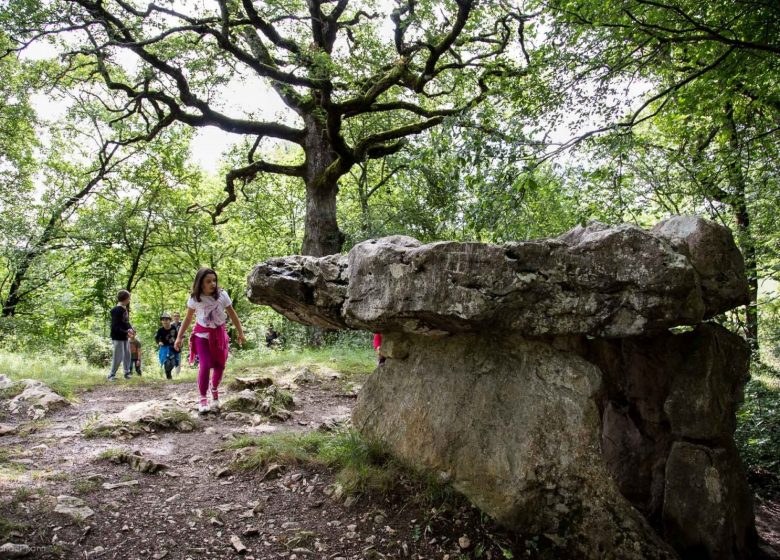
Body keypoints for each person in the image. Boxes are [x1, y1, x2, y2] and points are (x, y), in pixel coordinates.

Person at [174, 268, 245, 413]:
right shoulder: (195, 299)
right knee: (205, 365)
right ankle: (202, 398)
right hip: (202, 336)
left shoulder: (222, 295)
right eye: (208, 281)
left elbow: (232, 313)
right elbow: (188, 318)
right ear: (201, 284)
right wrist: (179, 336)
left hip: (219, 335)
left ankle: (214, 389)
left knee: (220, 365)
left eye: (214, 280)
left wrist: (240, 332)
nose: (212, 284)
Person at [107, 290, 133, 381]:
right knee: (118, 355)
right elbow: (115, 326)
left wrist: (130, 329)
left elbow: (126, 322)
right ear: (125, 298)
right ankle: (111, 375)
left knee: (127, 354)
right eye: (129, 298)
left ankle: (126, 373)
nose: (129, 300)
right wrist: (126, 332)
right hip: (117, 336)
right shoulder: (116, 310)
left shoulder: (124, 309)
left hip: (124, 336)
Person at [155, 312, 178, 379]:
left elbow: (177, 336)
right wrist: (159, 342)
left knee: (173, 363)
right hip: (164, 348)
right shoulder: (160, 330)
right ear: (161, 321)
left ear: (169, 320)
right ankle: (168, 376)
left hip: (173, 347)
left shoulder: (173, 328)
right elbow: (156, 338)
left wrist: (178, 344)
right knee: (166, 362)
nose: (165, 321)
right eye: (163, 320)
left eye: (166, 320)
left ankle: (168, 372)